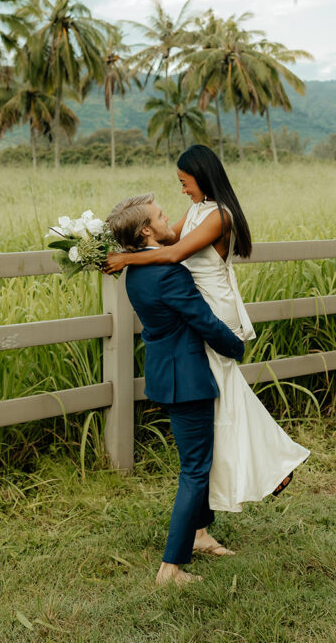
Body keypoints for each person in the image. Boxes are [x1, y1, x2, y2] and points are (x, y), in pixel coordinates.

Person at [105, 144, 310, 513]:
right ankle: (269, 468)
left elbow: (175, 254)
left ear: (202, 177)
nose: (182, 189)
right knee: (227, 399)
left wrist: (125, 258)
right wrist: (116, 236)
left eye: (185, 182)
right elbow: (167, 239)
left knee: (227, 399)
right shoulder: (197, 209)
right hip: (197, 304)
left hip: (213, 307)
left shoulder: (221, 215)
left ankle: (273, 465)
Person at [106, 193, 245, 587]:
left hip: (167, 375)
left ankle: (200, 535)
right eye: (162, 216)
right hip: (187, 380)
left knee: (198, 460)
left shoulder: (137, 272)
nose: (172, 220)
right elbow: (203, 320)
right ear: (147, 230)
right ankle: (171, 568)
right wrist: (236, 347)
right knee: (195, 470)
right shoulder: (168, 273)